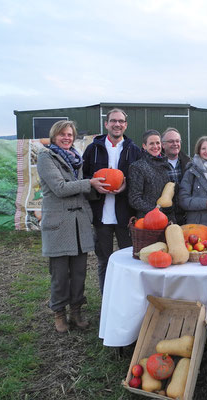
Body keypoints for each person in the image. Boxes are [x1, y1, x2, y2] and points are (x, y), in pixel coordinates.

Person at [37, 120, 108, 332]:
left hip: (79, 224)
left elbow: (80, 188)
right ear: (54, 136)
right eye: (62, 135)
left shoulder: (76, 158)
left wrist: (98, 189)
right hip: (59, 224)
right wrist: (90, 183)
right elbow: (59, 188)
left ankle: (76, 311)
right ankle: (59, 312)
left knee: (79, 273)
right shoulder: (46, 156)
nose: (67, 138)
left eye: (70, 134)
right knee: (59, 274)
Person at [82, 108, 142, 294]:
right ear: (106, 124)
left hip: (125, 215)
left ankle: (126, 297)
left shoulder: (134, 150)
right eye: (113, 121)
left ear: (125, 125)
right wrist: (93, 185)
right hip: (101, 216)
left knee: (128, 260)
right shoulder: (93, 149)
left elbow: (139, 179)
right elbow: (84, 176)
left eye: (121, 121)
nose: (117, 124)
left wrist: (126, 186)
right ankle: (106, 299)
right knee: (104, 261)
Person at [179, 136, 207, 235]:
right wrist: (204, 203)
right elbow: (183, 200)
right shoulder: (191, 172)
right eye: (203, 148)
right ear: (198, 151)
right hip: (196, 228)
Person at [128, 130, 175, 221]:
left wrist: (171, 207)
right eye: (151, 144)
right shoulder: (137, 167)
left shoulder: (167, 165)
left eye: (158, 143)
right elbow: (134, 199)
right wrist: (157, 210)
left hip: (168, 219)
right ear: (144, 146)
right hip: (148, 220)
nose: (155, 146)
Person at [161, 127, 191, 225]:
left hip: (185, 214)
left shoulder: (189, 163)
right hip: (163, 215)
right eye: (171, 141)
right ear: (163, 145)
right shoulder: (156, 164)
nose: (175, 144)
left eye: (177, 141)